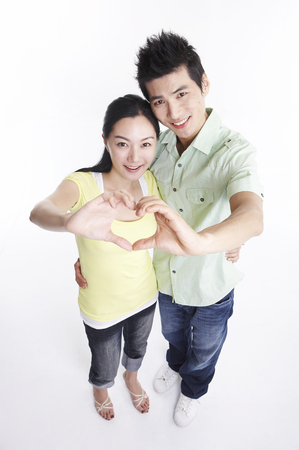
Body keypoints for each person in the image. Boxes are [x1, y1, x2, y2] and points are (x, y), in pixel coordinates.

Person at [75, 31, 264, 427]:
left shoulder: (235, 151)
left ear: (204, 83)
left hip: (211, 283)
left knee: (206, 350)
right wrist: (88, 251)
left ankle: (194, 389)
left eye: (181, 94)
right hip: (163, 279)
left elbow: (251, 214)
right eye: (159, 101)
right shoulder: (154, 147)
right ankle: (175, 367)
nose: (173, 112)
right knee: (175, 341)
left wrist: (206, 241)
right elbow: (119, 198)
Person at [30, 94, 162, 421]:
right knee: (104, 364)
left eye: (146, 144)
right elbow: (39, 211)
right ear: (105, 141)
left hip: (145, 295)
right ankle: (101, 388)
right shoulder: (85, 184)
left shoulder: (152, 181)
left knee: (136, 351)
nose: (135, 157)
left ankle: (131, 378)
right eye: (122, 144)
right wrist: (68, 222)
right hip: (101, 306)